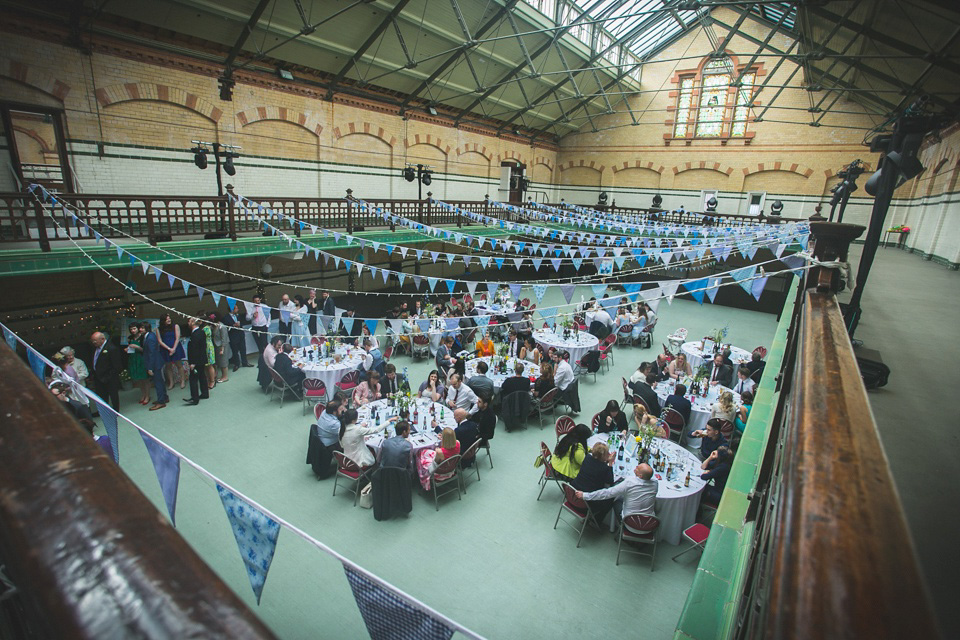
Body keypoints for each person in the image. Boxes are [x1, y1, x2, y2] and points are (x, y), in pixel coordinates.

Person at [576, 463, 659, 524]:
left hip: (630, 522)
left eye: (638, 468)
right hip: (649, 523)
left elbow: (607, 493)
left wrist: (585, 495)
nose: (636, 466)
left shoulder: (629, 483)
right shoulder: (655, 483)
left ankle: (602, 522)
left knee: (616, 500)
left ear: (640, 476)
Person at [572, 442, 616, 521]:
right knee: (611, 498)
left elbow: (596, 464)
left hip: (573, 494)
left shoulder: (587, 458)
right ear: (603, 456)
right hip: (586, 502)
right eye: (607, 454)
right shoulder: (604, 468)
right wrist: (610, 463)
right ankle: (597, 520)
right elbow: (610, 482)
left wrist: (605, 460)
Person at [89, 331, 122, 411]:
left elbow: (117, 365)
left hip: (109, 376)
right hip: (98, 376)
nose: (94, 342)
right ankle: (104, 411)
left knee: (113, 394)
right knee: (101, 395)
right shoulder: (94, 348)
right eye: (92, 340)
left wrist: (109, 377)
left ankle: (115, 410)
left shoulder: (111, 348)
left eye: (95, 340)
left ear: (102, 339)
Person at [142, 321, 168, 410]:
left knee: (158, 383)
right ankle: (164, 397)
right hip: (156, 362)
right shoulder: (149, 336)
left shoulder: (150, 338)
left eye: (142, 328)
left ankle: (161, 402)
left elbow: (151, 353)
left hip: (155, 363)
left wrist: (150, 367)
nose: (140, 329)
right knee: (160, 381)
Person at [183, 318, 209, 405]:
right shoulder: (201, 332)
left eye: (189, 321)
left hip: (196, 361)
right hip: (201, 359)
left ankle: (195, 398)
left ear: (193, 323)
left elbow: (195, 350)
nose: (188, 323)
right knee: (202, 376)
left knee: (193, 379)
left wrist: (193, 363)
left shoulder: (195, 335)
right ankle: (205, 393)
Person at [158, 313, 186, 390]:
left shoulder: (175, 326)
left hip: (176, 347)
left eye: (169, 318)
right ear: (163, 321)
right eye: (166, 319)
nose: (169, 320)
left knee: (179, 365)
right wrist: (169, 349)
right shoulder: (159, 329)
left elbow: (177, 338)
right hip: (165, 349)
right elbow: (160, 341)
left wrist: (173, 348)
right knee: (168, 366)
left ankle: (182, 381)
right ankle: (171, 382)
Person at [125, 323, 150, 405]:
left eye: (134, 328)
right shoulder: (130, 338)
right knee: (139, 379)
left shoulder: (143, 337)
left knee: (144, 379)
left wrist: (137, 347)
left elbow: (145, 350)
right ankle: (143, 394)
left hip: (141, 358)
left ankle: (147, 395)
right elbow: (129, 348)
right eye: (131, 329)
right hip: (133, 358)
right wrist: (127, 349)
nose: (133, 331)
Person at [211, 313, 231, 383]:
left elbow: (224, 338)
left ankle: (225, 377)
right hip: (217, 345)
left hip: (223, 346)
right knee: (220, 362)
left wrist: (222, 349)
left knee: (224, 361)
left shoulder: (222, 326)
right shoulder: (215, 326)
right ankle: (222, 376)